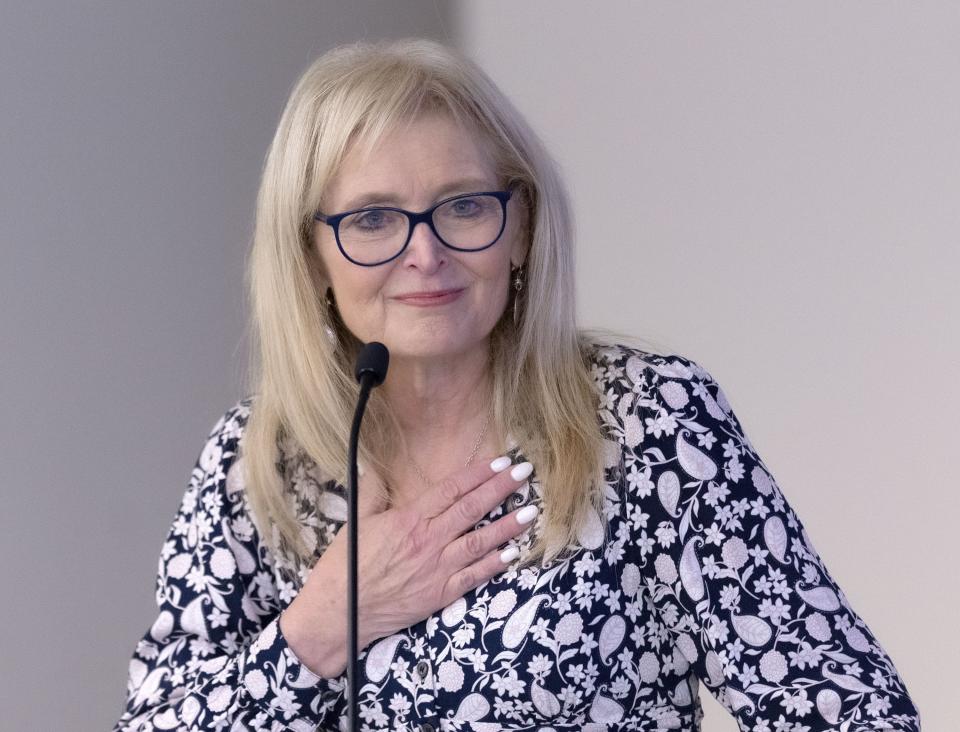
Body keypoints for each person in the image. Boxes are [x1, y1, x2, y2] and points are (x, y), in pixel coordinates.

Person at [113, 38, 920, 732]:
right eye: (371, 219)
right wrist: (322, 627)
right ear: (311, 255)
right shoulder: (256, 466)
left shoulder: (647, 422)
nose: (423, 254)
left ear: (522, 227)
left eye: (462, 207)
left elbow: (848, 707)